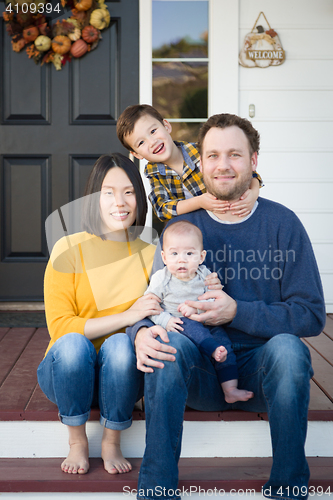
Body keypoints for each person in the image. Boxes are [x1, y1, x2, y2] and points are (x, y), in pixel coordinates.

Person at [127, 114, 326, 500]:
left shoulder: (282, 224)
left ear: (253, 161)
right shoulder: (181, 230)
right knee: (166, 343)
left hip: (260, 373)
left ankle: (288, 487)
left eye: (234, 154)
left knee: (289, 349)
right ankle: (157, 488)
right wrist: (139, 334)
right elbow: (152, 300)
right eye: (213, 155)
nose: (222, 164)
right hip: (198, 370)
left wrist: (238, 312)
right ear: (200, 163)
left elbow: (312, 313)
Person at [37, 153, 162, 476]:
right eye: (108, 192)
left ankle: (111, 441)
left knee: (121, 346)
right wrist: (127, 316)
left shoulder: (152, 250)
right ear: (94, 198)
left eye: (129, 192)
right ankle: (77, 442)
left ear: (139, 197)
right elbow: (62, 327)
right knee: (74, 344)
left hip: (123, 375)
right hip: (66, 372)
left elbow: (162, 309)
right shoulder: (68, 248)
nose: (119, 202)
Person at [145, 219, 253, 403]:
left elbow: (213, 299)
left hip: (207, 322)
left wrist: (197, 306)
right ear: (164, 257)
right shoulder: (161, 278)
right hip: (179, 324)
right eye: (174, 253)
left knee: (225, 345)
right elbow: (150, 307)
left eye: (189, 253)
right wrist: (165, 321)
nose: (182, 259)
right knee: (193, 328)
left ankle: (230, 389)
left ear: (201, 257)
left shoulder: (204, 274)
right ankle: (212, 350)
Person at [116, 104, 262, 221]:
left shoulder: (199, 151)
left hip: (231, 216)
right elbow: (161, 209)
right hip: (193, 232)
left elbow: (249, 172)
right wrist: (199, 202)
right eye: (141, 142)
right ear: (136, 154)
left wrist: (253, 193)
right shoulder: (154, 173)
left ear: (166, 126)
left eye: (153, 131)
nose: (152, 142)